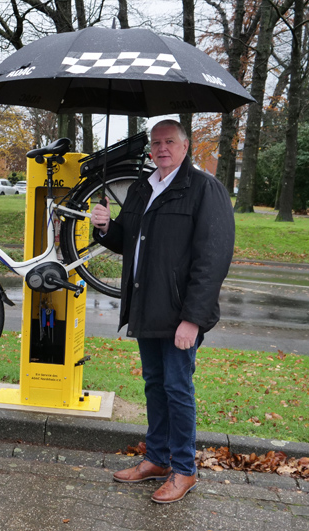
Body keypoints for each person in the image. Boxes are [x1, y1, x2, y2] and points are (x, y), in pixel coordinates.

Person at [90, 119, 235, 503]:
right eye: (156, 143)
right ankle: (157, 459)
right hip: (146, 306)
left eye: (170, 141)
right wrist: (106, 228)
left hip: (179, 315)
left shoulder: (204, 189)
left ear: (186, 147)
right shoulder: (143, 187)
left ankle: (184, 470)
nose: (162, 148)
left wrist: (193, 319)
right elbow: (130, 242)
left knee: (177, 387)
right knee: (155, 385)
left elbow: (213, 259)